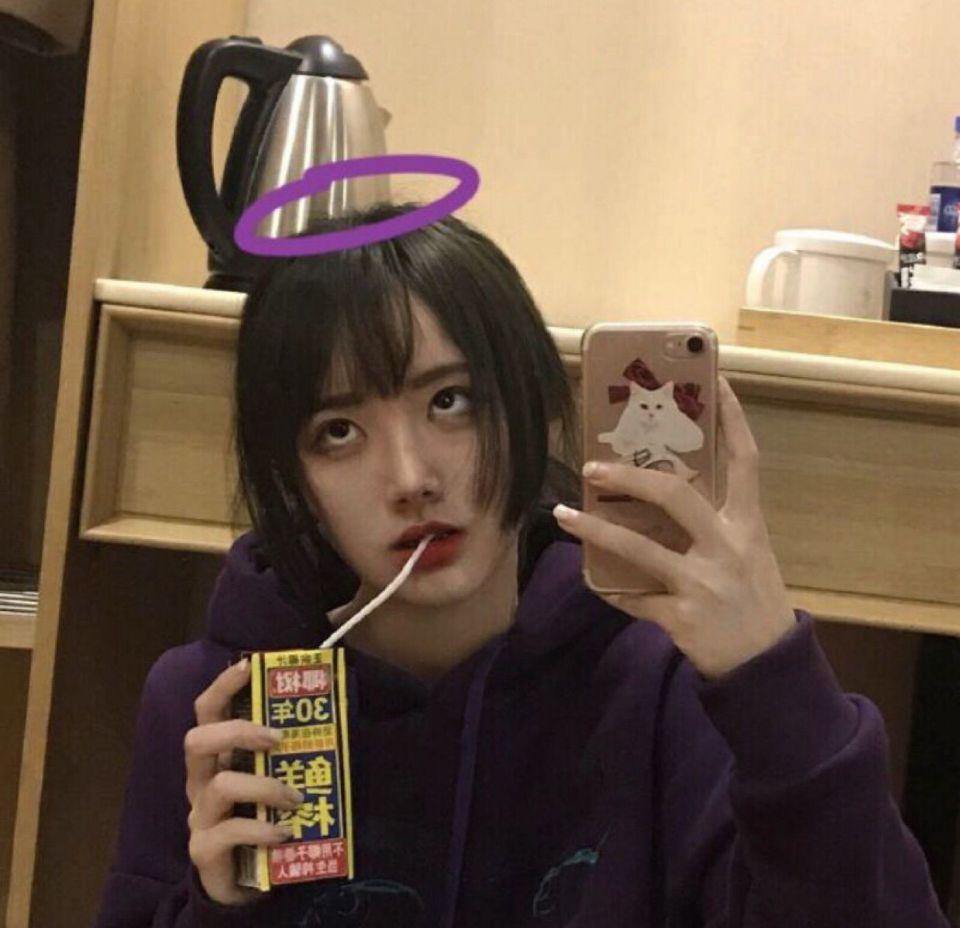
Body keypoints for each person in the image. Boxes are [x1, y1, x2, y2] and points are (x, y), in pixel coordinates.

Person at [95, 203, 949, 928]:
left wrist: (777, 685)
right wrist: (219, 911)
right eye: (339, 432)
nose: (410, 478)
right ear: (294, 479)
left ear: (535, 409)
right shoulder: (219, 708)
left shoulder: (661, 687)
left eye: (450, 401)